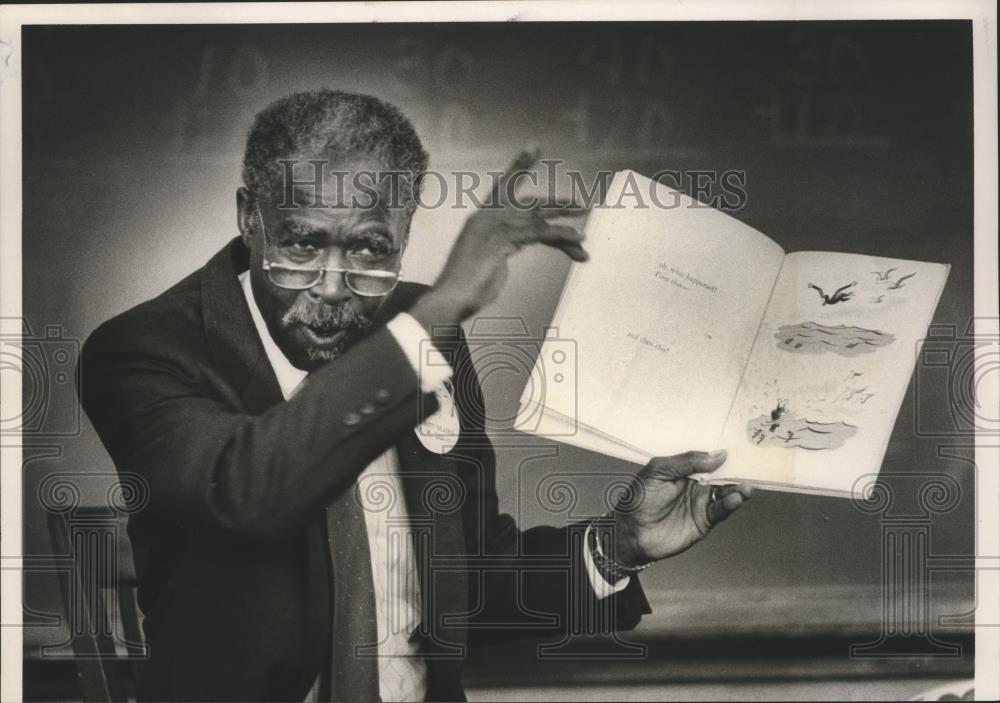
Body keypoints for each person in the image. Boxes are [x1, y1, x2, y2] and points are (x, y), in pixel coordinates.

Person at [80, 90, 752, 702]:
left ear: (404, 236)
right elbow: (246, 491)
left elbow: (467, 585)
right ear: (249, 217)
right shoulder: (146, 350)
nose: (333, 288)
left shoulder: (428, 337)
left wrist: (615, 544)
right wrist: (433, 316)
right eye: (302, 244)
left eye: (372, 251)